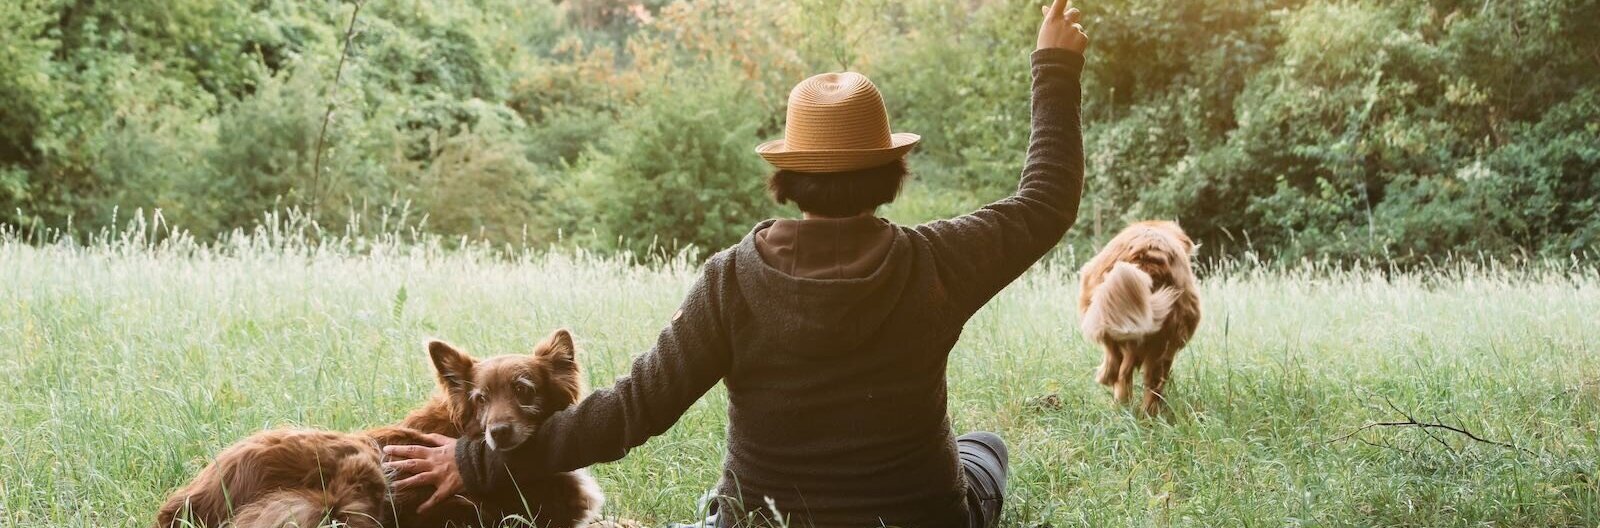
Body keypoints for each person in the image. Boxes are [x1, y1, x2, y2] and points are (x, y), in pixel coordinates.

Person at [385, 2, 1089, 526]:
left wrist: (473, 457)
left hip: (758, 520)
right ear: (892, 174)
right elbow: (1048, 200)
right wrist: (1055, 67)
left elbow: (631, 412)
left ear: (785, 179)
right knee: (984, 449)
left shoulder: (732, 279)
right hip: (917, 519)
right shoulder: (937, 262)